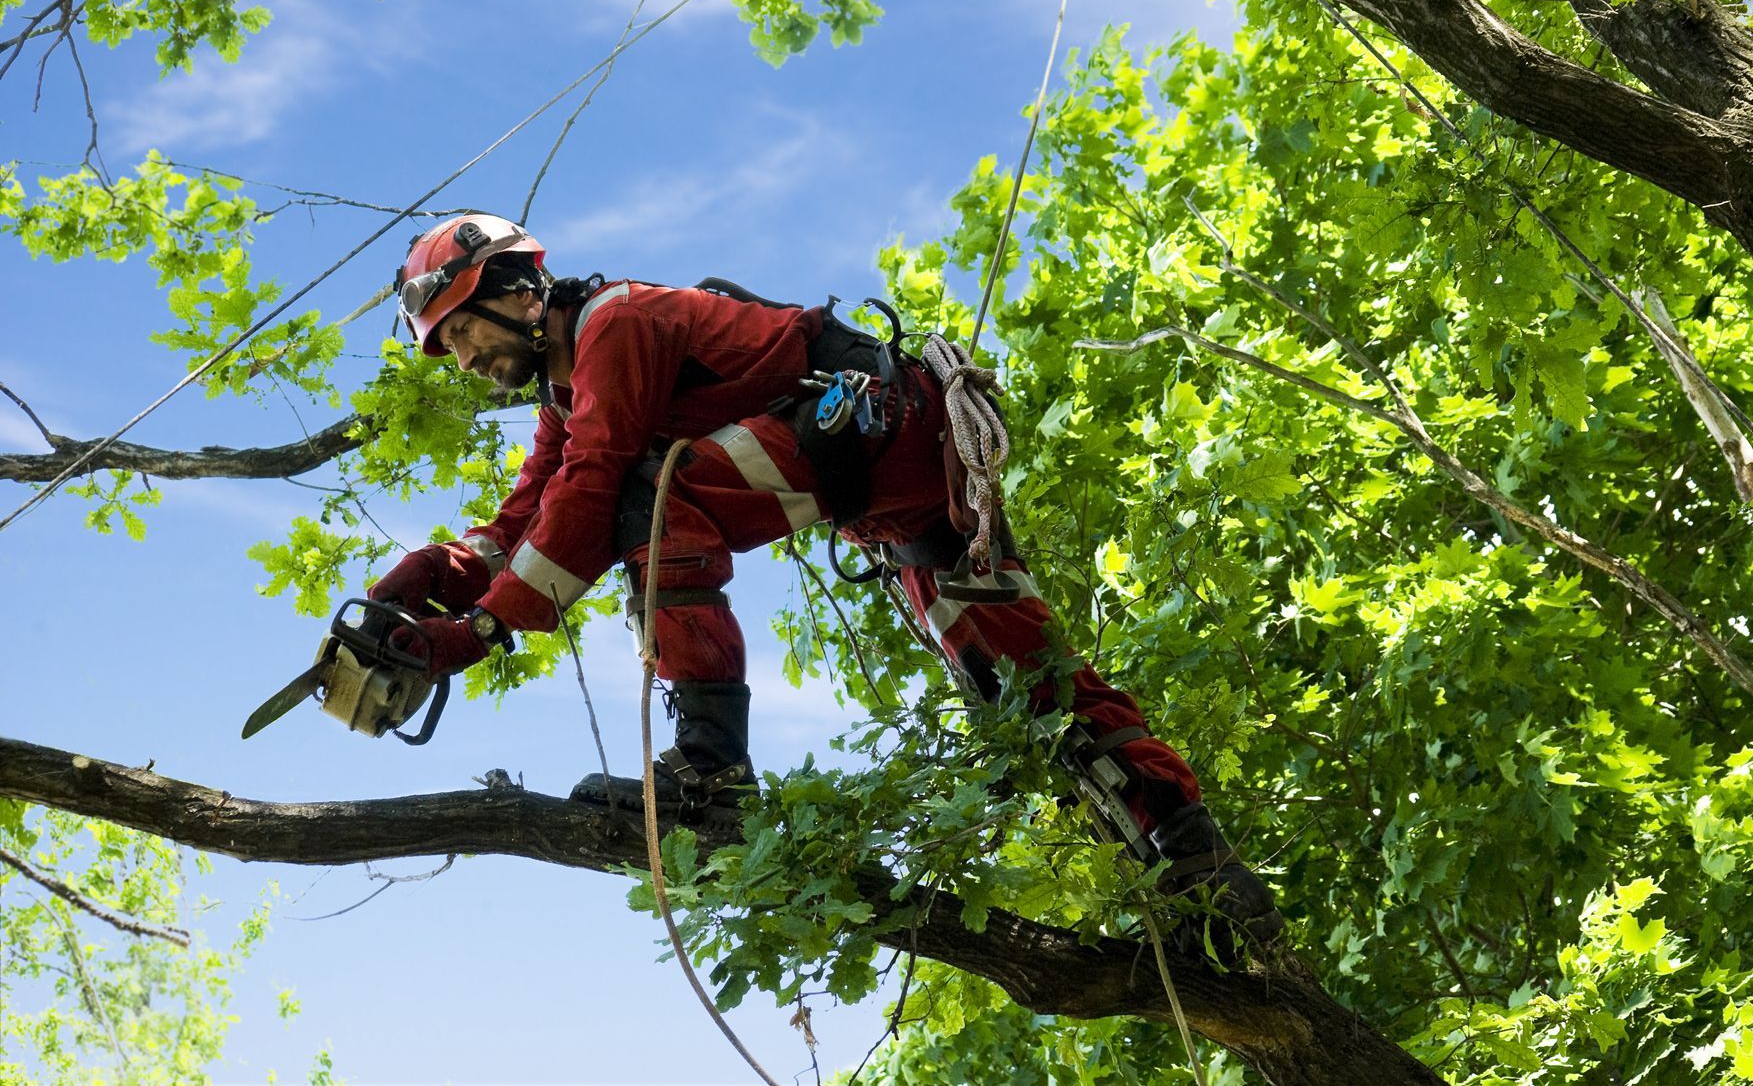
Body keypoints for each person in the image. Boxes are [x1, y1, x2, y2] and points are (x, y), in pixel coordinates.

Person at [371, 212, 1279, 940]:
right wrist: (440, 575)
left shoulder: (618, 323)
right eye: (445, 349)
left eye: (461, 333)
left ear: (519, 292)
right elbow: (531, 511)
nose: (462, 361)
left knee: (653, 491)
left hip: (881, 432)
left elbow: (591, 490)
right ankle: (1197, 863)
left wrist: (476, 634)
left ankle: (713, 769)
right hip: (898, 493)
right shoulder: (568, 392)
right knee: (1022, 685)